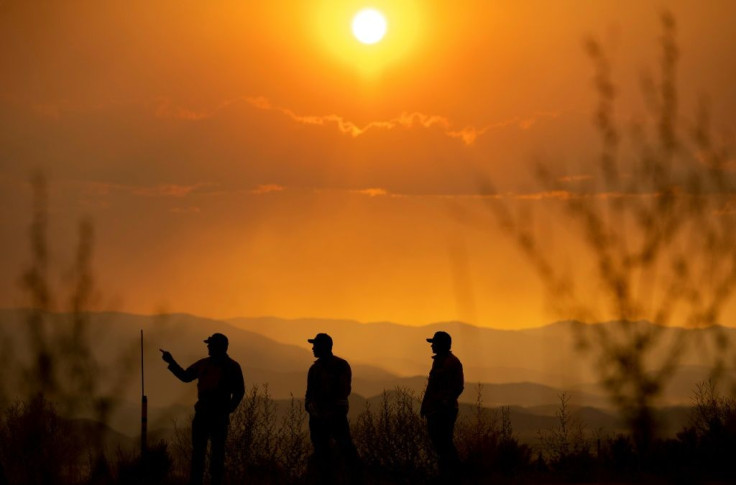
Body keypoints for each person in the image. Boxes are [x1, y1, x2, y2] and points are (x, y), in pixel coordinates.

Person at [160, 333, 244, 485]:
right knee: (205, 456)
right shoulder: (223, 365)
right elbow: (186, 376)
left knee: (212, 457)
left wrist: (228, 409)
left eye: (210, 345)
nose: (208, 347)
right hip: (206, 417)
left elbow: (239, 391)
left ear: (219, 347)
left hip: (212, 417)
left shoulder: (229, 367)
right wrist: (171, 362)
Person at [305, 333, 361, 484]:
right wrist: (314, 410)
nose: (313, 348)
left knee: (345, 450)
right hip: (320, 418)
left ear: (323, 347)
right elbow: (309, 396)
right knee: (323, 453)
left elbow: (342, 392)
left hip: (334, 417)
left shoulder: (338, 366)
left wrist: (324, 412)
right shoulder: (317, 369)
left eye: (315, 345)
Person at [421, 331, 464, 481]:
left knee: (444, 443)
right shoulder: (440, 361)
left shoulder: (451, 362)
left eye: (434, 343)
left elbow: (458, 387)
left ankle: (454, 474)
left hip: (443, 411)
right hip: (435, 410)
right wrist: (425, 406)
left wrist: (445, 402)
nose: (432, 345)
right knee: (441, 444)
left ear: (441, 345)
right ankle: (448, 475)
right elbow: (432, 386)